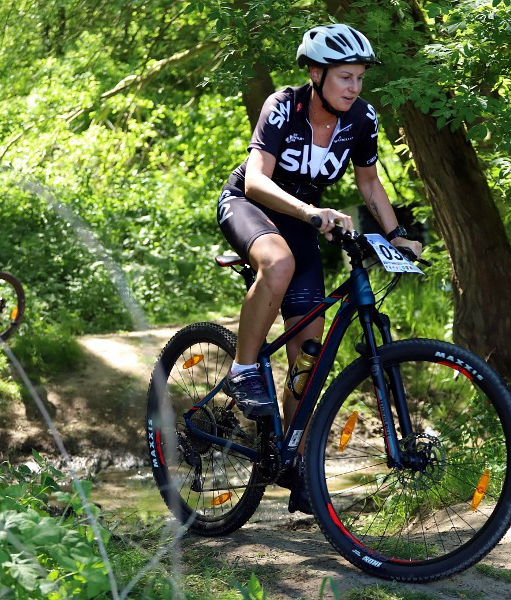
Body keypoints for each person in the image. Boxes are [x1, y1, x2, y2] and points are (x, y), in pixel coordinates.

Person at [216, 24, 422, 513]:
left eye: (359, 78)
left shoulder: (361, 119)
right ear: (316, 73)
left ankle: (291, 461)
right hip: (250, 205)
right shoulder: (282, 105)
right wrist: (311, 213)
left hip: (303, 221)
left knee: (309, 355)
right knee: (280, 261)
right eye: (345, 77)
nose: (354, 87)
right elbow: (258, 184)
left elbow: (370, 184)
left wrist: (395, 237)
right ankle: (244, 368)